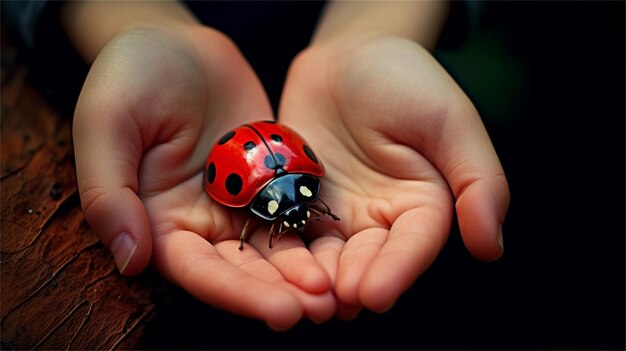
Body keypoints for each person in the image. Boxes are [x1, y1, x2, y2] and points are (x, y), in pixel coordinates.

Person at [5, 1, 510, 330]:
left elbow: (293, 197)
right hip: (132, 96)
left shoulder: (299, 187)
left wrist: (379, 25)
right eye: (287, 214)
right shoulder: (266, 194)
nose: (293, 221)